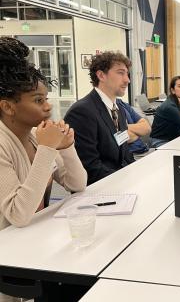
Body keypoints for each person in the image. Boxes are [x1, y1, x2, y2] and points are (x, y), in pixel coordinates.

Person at [0, 36, 87, 231]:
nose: (48, 107)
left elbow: (77, 184)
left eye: (46, 99)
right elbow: (18, 214)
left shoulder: (34, 135)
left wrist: (66, 147)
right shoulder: (3, 143)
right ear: (8, 107)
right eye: (39, 100)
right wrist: (47, 149)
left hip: (33, 236)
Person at [64, 52, 135, 185]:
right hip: (98, 191)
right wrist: (125, 181)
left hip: (119, 183)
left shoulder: (118, 108)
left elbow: (124, 152)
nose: (127, 80)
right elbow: (90, 168)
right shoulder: (82, 112)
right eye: (121, 73)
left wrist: (137, 173)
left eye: (127, 74)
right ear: (101, 75)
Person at [150, 76, 180, 147]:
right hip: (160, 141)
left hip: (173, 139)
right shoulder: (170, 106)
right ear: (173, 90)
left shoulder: (179, 102)